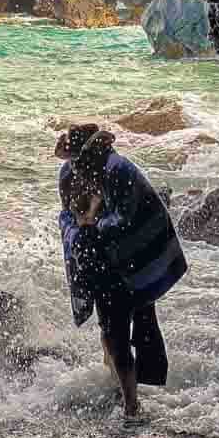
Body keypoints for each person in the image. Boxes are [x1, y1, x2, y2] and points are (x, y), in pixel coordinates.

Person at [56, 123, 188, 418]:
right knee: (111, 330)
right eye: (74, 160)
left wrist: (93, 221)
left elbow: (134, 216)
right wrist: (82, 225)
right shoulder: (68, 174)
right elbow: (66, 215)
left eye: (81, 160)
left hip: (130, 261)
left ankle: (131, 404)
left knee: (137, 329)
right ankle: (118, 387)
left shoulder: (118, 170)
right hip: (99, 260)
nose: (76, 167)